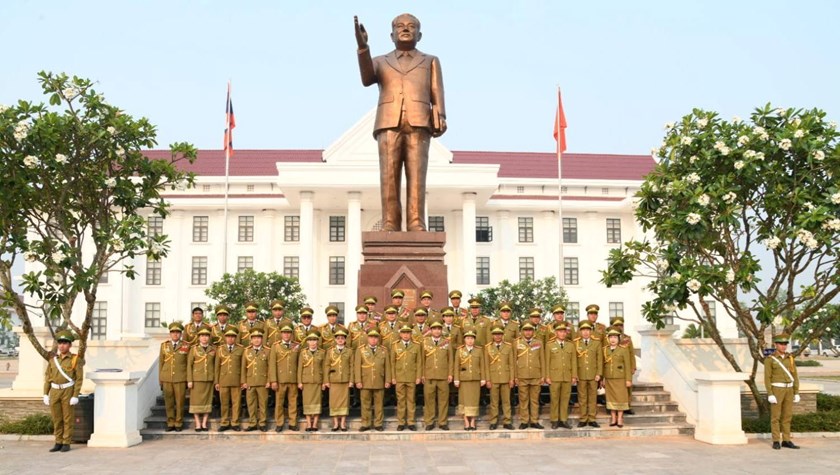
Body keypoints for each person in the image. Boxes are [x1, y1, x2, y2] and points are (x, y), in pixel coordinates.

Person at [354, 13, 447, 232]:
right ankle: (390, 222)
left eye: (411, 26)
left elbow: (436, 89)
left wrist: (440, 114)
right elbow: (367, 79)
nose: (405, 29)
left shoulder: (430, 60)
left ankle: (416, 221)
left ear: (420, 34)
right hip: (388, 121)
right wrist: (362, 47)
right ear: (391, 34)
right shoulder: (380, 61)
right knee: (389, 174)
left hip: (419, 121)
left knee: (417, 175)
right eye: (400, 26)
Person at [44, 330, 84, 452]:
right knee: (57, 418)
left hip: (68, 390)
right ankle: (58, 441)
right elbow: (48, 378)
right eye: (60, 343)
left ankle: (66, 442)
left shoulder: (75, 360)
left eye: (65, 343)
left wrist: (75, 395)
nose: (62, 346)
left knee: (67, 418)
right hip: (55, 391)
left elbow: (78, 379)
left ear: (70, 345)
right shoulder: (53, 360)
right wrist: (45, 393)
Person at [764, 333, 801, 450]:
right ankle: (776, 440)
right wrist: (770, 393)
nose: (783, 346)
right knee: (776, 417)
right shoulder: (770, 359)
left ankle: (786, 439)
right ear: (775, 344)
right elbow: (767, 378)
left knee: (787, 416)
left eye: (785, 344)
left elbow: (795, 375)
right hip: (777, 389)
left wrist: (796, 391)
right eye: (781, 344)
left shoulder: (790, 358)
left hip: (789, 389)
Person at [355, 329, 391, 431]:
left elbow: (387, 366)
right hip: (365, 381)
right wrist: (358, 380)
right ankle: (366, 423)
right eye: (371, 337)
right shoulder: (361, 350)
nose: (373, 340)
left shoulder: (383, 350)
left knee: (379, 404)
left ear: (378, 339)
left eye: (375, 337)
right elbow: (357, 366)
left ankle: (378, 423)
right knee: (365, 404)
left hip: (379, 380)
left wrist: (387, 380)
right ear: (368, 338)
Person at [546, 322, 577, 429]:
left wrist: (574, 376)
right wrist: (547, 376)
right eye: (560, 331)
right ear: (556, 332)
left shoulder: (571, 345)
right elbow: (547, 362)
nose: (562, 334)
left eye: (564, 332)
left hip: (567, 376)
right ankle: (554, 420)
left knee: (565, 399)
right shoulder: (549, 345)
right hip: (554, 376)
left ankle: (563, 419)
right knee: (554, 399)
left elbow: (574, 362)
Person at [422, 321, 453, 430]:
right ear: (430, 330)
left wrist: (450, 373)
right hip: (429, 375)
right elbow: (422, 360)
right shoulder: (425, 342)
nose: (437, 331)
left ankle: (442, 422)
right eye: (434, 328)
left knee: (443, 400)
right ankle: (429, 422)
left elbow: (450, 360)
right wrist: (422, 374)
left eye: (439, 329)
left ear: (441, 330)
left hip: (443, 375)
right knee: (429, 399)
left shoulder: (447, 342)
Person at [159, 322, 189, 432]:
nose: (175, 335)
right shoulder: (164, 345)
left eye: (177, 333)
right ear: (170, 334)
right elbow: (161, 363)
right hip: (166, 377)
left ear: (181, 334)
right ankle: (170, 422)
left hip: (181, 378)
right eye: (173, 332)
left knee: (180, 402)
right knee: (169, 402)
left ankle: (179, 422)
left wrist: (188, 379)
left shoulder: (186, 345)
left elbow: (188, 363)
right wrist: (160, 379)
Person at [269, 325, 300, 432]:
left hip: (293, 378)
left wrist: (299, 380)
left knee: (293, 402)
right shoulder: (276, 346)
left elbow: (299, 364)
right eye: (284, 332)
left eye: (288, 332)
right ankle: (279, 423)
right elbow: (272, 365)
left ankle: (292, 423)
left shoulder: (296, 346)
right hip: (280, 379)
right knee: (279, 403)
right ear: (281, 334)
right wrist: (273, 380)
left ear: (291, 334)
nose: (286, 334)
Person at [391, 324, 422, 431]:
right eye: (403, 333)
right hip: (399, 377)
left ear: (410, 334)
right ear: (400, 334)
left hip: (411, 377)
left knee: (411, 400)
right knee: (400, 401)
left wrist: (418, 376)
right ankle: (401, 422)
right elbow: (392, 363)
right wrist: (393, 377)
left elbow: (419, 363)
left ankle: (411, 422)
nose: (405, 335)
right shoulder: (395, 345)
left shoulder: (416, 346)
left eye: (407, 333)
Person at [515, 323, 545, 429]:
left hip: (535, 375)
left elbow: (542, 359)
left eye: (530, 330)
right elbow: (514, 361)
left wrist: (543, 375)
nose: (528, 332)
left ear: (533, 331)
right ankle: (524, 421)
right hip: (522, 375)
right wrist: (515, 377)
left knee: (534, 400)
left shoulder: (539, 343)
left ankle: (534, 421)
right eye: (526, 330)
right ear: (522, 331)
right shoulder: (517, 343)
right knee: (523, 400)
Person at [485, 326, 515, 430]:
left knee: (506, 401)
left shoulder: (508, 346)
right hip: (493, 378)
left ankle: (507, 421)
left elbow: (511, 364)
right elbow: (486, 365)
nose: (497, 336)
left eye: (499, 334)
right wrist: (488, 379)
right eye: (495, 334)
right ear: (492, 335)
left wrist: (511, 379)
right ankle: (493, 421)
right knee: (494, 402)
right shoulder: (488, 347)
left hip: (506, 378)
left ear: (503, 335)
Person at [455, 330, 485, 430]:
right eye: (468, 338)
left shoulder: (479, 350)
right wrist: (456, 379)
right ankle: (466, 421)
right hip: (464, 379)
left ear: (474, 339)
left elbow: (482, 366)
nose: (470, 340)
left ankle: (473, 421)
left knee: (474, 400)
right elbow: (456, 366)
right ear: (464, 339)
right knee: (464, 400)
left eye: (472, 338)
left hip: (476, 378)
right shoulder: (460, 350)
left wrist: (483, 378)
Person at [575, 321, 603, 428]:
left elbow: (599, 360)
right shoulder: (576, 343)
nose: (586, 332)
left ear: (591, 331)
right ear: (580, 332)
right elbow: (574, 361)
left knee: (592, 398)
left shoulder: (596, 343)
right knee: (582, 398)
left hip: (593, 375)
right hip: (581, 375)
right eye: (583, 330)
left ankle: (592, 418)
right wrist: (575, 374)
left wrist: (599, 374)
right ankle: (583, 418)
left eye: (588, 330)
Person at [215, 328, 244, 432]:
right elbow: (217, 366)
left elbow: (243, 366)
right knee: (224, 403)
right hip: (223, 380)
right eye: (228, 336)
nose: (230, 338)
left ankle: (235, 422)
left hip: (236, 380)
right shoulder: (220, 349)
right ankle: (224, 422)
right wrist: (217, 381)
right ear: (225, 338)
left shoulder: (241, 349)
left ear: (235, 338)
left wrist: (242, 380)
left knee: (236, 403)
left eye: (232, 337)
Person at [324, 329, 353, 431]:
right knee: (334, 402)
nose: (340, 340)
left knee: (344, 402)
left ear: (345, 340)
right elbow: (326, 366)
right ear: (335, 340)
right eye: (338, 338)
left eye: (342, 338)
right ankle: (336, 423)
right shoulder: (330, 351)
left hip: (345, 379)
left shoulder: (349, 351)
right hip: (334, 380)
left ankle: (343, 423)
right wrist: (326, 380)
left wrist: (351, 380)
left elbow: (351, 366)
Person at [187, 328, 216, 431]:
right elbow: (189, 365)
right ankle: (197, 423)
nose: (204, 338)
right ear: (199, 337)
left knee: (207, 402)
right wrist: (189, 380)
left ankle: (204, 423)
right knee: (195, 402)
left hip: (209, 379)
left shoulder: (213, 349)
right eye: (202, 336)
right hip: (196, 380)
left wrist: (215, 380)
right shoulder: (193, 349)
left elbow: (215, 365)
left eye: (206, 336)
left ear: (209, 337)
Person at [602, 328, 632, 428]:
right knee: (610, 398)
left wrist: (628, 379)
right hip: (609, 378)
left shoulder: (623, 349)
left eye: (615, 337)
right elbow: (603, 365)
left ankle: (620, 418)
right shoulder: (605, 350)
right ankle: (613, 418)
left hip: (621, 378)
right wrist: (603, 378)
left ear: (618, 339)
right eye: (611, 337)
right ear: (608, 339)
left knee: (621, 398)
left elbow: (627, 365)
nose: (613, 339)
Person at [241, 328, 270, 431]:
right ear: (251, 340)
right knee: (251, 404)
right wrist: (243, 381)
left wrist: (269, 381)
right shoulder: (246, 351)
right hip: (250, 382)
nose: (256, 340)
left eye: (258, 338)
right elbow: (243, 367)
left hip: (263, 382)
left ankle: (262, 423)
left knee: (263, 404)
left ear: (262, 339)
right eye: (254, 338)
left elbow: (270, 367)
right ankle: (252, 423)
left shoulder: (267, 351)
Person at [298, 333, 325, 432]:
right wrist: (299, 382)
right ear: (307, 342)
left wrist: (324, 382)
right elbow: (300, 368)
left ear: (317, 341)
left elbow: (324, 368)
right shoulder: (303, 352)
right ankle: (309, 423)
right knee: (307, 403)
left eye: (315, 340)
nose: (313, 342)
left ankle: (315, 423)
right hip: (306, 381)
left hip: (317, 381)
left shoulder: (322, 352)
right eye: (310, 340)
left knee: (317, 403)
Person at [611, 317, 636, 415]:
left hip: (626, 367)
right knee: (615, 390)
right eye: (616, 325)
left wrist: (633, 366)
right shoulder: (609, 338)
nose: (619, 327)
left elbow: (631, 353)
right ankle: (614, 407)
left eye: (621, 325)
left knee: (628, 388)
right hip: (614, 368)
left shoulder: (627, 338)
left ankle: (628, 406)